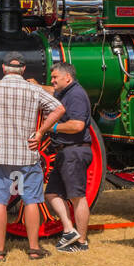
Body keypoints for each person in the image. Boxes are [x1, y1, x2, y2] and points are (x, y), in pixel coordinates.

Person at [0, 52, 65, 262]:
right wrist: (41, 132)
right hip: (27, 154)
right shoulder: (33, 89)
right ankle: (34, 248)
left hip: (1, 155)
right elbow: (59, 108)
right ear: (24, 69)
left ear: (3, 68)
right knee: (31, 201)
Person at [45, 62, 94, 251]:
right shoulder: (65, 92)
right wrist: (34, 86)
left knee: (77, 197)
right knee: (51, 193)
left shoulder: (76, 95)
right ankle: (69, 230)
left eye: (55, 77)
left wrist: (52, 127)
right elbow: (51, 90)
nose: (52, 80)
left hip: (75, 150)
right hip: (65, 151)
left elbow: (78, 125)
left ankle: (81, 242)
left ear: (68, 77)